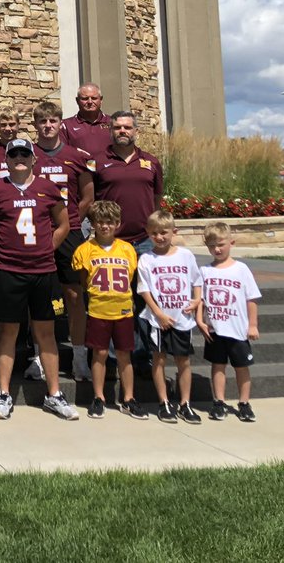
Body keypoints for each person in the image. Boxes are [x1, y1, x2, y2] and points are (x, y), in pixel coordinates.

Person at [0, 138, 77, 421]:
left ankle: (54, 394)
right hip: (10, 270)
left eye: (25, 153)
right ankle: (3, 393)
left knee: (46, 333)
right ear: (6, 160)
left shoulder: (48, 188)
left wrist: (48, 246)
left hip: (43, 271)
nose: (19, 158)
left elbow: (64, 223)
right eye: (14, 154)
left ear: (34, 158)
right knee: (8, 332)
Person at [30, 101, 95, 381]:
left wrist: (67, 223)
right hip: (36, 233)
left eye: (52, 121)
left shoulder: (77, 156)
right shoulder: (26, 153)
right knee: (39, 296)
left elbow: (88, 198)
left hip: (69, 233)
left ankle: (80, 356)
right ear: (36, 125)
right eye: (42, 121)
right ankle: (39, 357)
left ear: (60, 124)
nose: (48, 126)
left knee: (74, 295)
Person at [71, 200, 143, 419]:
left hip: (122, 310)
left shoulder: (127, 249)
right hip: (98, 309)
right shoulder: (85, 250)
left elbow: (132, 279)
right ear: (93, 224)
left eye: (110, 222)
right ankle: (99, 397)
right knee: (100, 353)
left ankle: (128, 397)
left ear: (118, 224)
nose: (105, 226)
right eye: (100, 222)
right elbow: (84, 281)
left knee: (124, 355)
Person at [137, 209, 203, 424]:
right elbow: (144, 289)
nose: (159, 237)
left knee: (183, 361)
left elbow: (196, 280)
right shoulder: (146, 258)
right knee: (159, 359)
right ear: (148, 233)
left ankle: (185, 403)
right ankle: (164, 402)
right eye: (154, 233)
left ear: (174, 231)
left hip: (182, 318)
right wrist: (158, 313)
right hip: (158, 320)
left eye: (164, 232)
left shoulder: (186, 255)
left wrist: (196, 300)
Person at [199, 222, 261, 423]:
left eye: (220, 244)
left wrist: (252, 325)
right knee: (218, 366)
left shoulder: (241, 269)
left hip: (238, 330)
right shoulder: (205, 271)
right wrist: (200, 321)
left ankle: (244, 403)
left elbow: (251, 299)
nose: (216, 249)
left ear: (231, 243)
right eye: (211, 246)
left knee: (241, 366)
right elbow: (199, 299)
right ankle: (219, 401)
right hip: (215, 330)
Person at [92, 112, 163, 254]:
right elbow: (89, 199)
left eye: (127, 127)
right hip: (109, 240)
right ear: (110, 131)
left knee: (144, 277)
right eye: (117, 127)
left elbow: (157, 197)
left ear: (136, 131)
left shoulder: (151, 161)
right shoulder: (96, 162)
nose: (122, 131)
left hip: (145, 240)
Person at [61, 83, 112, 163]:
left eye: (94, 98)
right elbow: (62, 154)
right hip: (80, 173)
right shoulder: (66, 125)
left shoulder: (113, 123)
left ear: (101, 100)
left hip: (109, 172)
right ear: (77, 101)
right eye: (85, 98)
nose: (90, 102)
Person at [0, 106, 22, 180]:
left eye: (12, 124)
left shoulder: (26, 149)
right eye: (3, 125)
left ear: (18, 124)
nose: (7, 129)